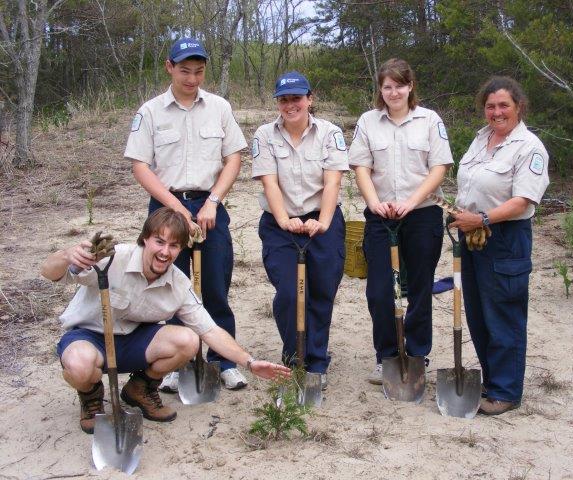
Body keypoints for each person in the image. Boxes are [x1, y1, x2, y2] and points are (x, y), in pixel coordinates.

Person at [41, 207, 290, 434]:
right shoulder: (112, 259)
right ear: (145, 240)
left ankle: (140, 389)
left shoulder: (178, 284)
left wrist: (250, 362)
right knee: (79, 364)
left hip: (136, 342)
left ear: (180, 250)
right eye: (159, 242)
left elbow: (210, 330)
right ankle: (91, 396)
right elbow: (50, 273)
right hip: (90, 338)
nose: (164, 252)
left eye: (173, 246)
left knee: (188, 340)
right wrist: (67, 256)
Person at [124, 37, 249, 391]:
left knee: (214, 285)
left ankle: (223, 360)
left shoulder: (219, 108)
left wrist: (213, 201)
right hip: (167, 206)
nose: (192, 78)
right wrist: (177, 208)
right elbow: (140, 165)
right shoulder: (150, 112)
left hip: (210, 207)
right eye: (184, 70)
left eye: (198, 71)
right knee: (167, 285)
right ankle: (175, 362)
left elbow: (234, 158)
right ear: (169, 67)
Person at [348, 58, 454, 385]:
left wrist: (411, 202)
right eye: (387, 86)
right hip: (382, 218)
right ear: (381, 89)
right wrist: (374, 203)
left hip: (421, 215)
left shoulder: (429, 121)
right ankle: (388, 355)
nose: (394, 92)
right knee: (381, 290)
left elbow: (439, 167)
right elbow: (360, 167)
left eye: (400, 85)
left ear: (411, 86)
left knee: (420, 287)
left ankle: (418, 352)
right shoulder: (368, 122)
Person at [450, 76, 549, 415]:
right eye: (490, 106)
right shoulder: (481, 140)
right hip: (471, 234)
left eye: (504, 105)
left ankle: (506, 392)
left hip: (505, 238)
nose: (497, 112)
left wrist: (482, 219)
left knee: (503, 314)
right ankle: (491, 382)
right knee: (478, 314)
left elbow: (523, 201)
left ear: (518, 106)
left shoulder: (529, 147)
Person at [251, 71, 349, 389]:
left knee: (321, 291)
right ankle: (294, 359)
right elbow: (270, 181)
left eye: (296, 98)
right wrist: (283, 220)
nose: (290, 105)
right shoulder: (265, 135)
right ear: (278, 103)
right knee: (290, 294)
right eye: (284, 99)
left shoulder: (330, 133)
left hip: (323, 220)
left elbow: (333, 180)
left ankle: (316, 361)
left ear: (310, 99)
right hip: (281, 225)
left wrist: (323, 219)